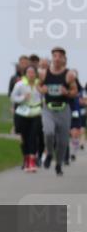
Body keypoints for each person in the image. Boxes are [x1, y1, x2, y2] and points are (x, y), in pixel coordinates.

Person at [38, 47, 77, 176]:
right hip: (48, 109)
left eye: (60, 56)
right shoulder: (44, 73)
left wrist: (68, 92)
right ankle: (49, 153)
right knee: (48, 132)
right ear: (52, 58)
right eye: (55, 56)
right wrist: (41, 89)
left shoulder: (69, 74)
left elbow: (74, 91)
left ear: (64, 59)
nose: (57, 58)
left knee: (62, 141)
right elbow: (39, 85)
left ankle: (59, 164)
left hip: (63, 110)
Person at [11, 65, 43, 172]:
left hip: (36, 112)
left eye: (33, 72)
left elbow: (44, 96)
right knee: (25, 138)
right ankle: (26, 158)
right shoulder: (20, 85)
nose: (31, 74)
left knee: (33, 137)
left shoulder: (39, 85)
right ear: (25, 74)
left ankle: (32, 162)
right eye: (29, 72)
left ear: (35, 74)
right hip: (23, 113)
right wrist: (23, 97)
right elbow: (13, 97)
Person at [68, 69, 81, 163]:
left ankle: (73, 153)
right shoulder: (66, 86)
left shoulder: (80, 88)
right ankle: (66, 153)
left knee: (75, 134)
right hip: (66, 112)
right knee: (66, 134)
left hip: (76, 112)